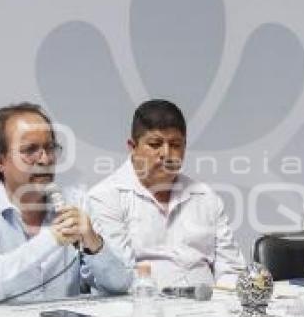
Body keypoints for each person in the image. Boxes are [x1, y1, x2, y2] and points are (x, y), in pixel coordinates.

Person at [0, 102, 131, 304]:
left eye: (50, 147)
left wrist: (94, 244)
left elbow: (120, 286)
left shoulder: (76, 202)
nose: (45, 160)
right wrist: (50, 239)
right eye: (30, 150)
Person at [88, 99, 246, 288]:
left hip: (208, 310)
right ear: (132, 147)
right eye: (155, 144)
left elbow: (231, 270)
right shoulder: (105, 197)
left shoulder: (205, 197)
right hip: (139, 310)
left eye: (175, 144)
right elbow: (119, 279)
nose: (166, 153)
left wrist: (227, 303)